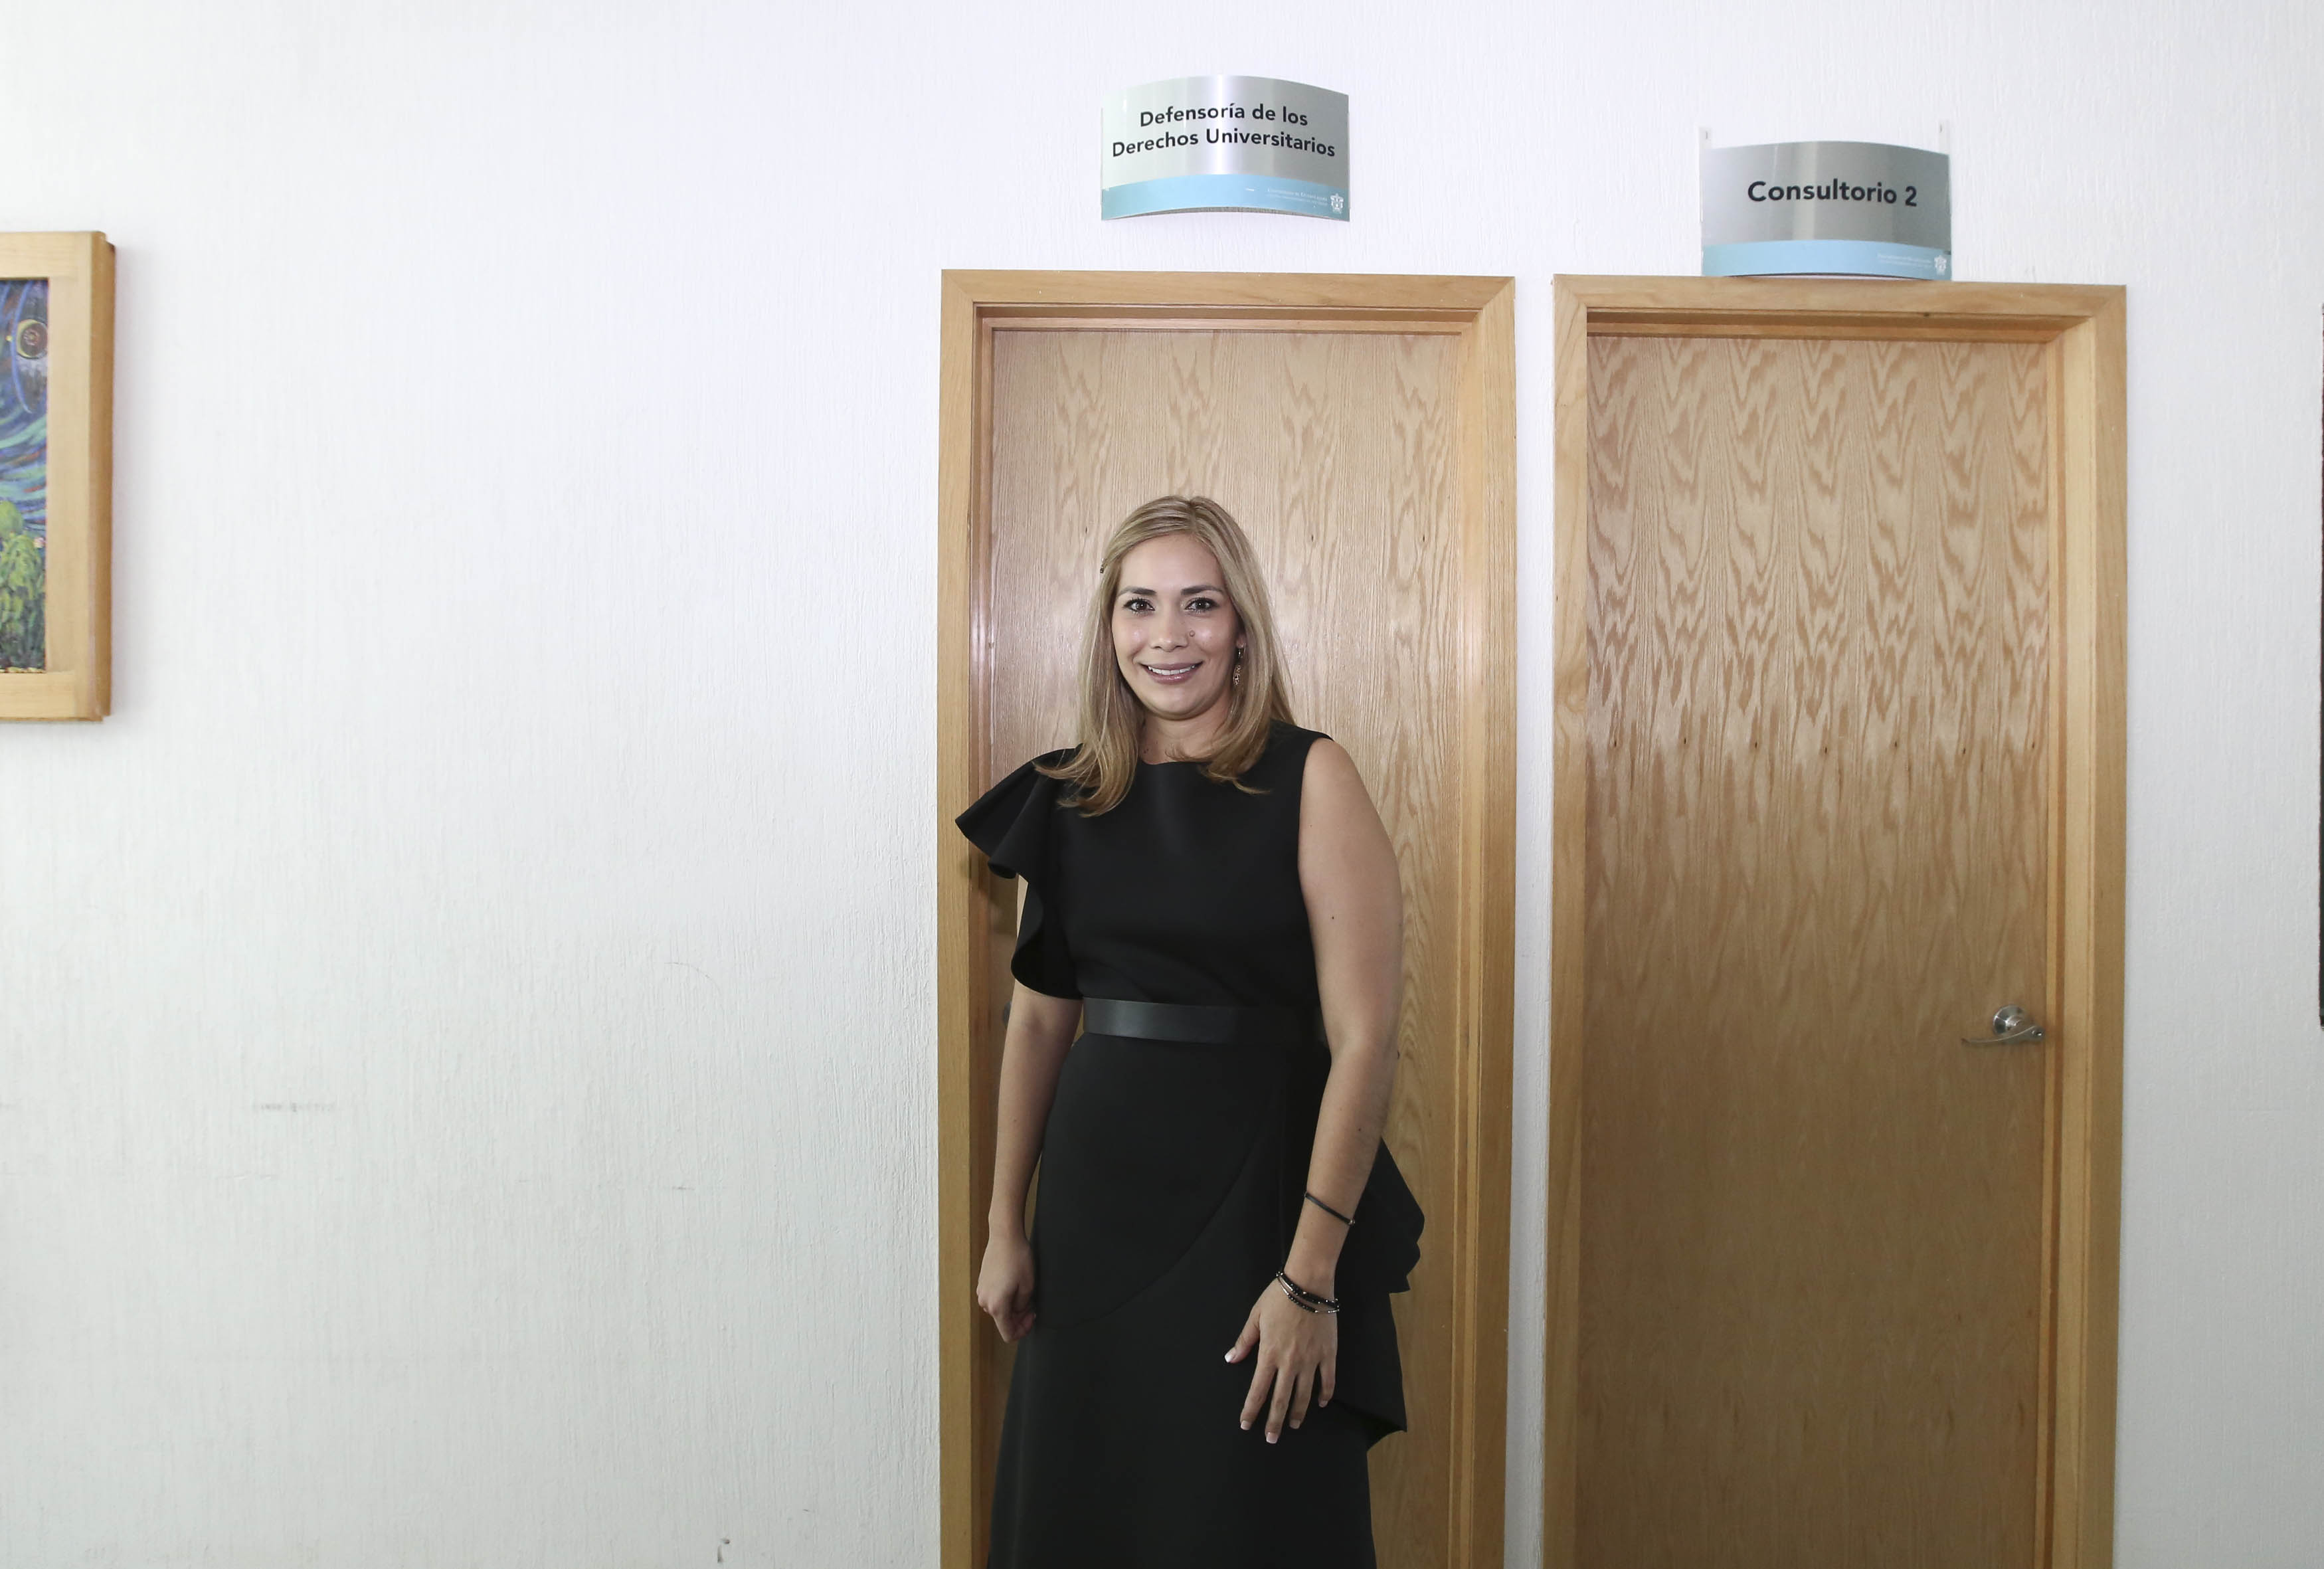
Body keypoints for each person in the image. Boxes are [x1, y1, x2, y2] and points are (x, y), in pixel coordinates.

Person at [957, 495, 1423, 1568]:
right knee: (1084, 1508)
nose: (1168, 634)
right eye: (1140, 605)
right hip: (1093, 1218)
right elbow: (1039, 1023)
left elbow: (1365, 1039)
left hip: (1260, 1214)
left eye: (1199, 604)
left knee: (1245, 1513)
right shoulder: (1067, 796)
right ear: (1108, 627)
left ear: (1242, 625)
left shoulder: (1312, 776)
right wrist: (1004, 1223)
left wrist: (1309, 1278)